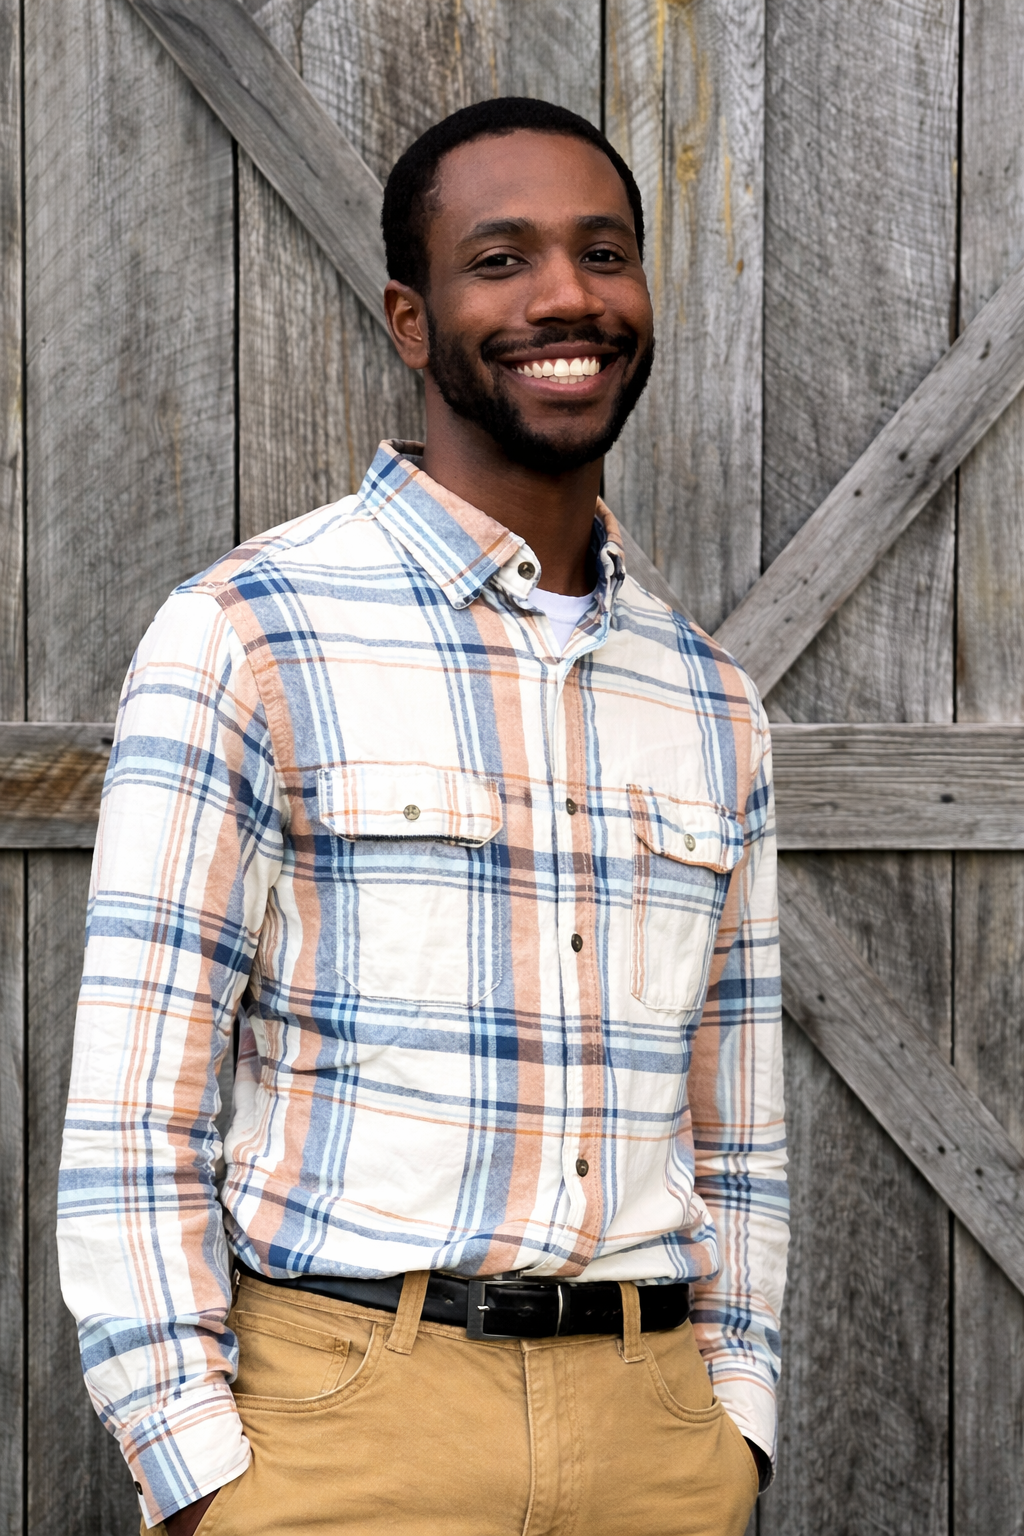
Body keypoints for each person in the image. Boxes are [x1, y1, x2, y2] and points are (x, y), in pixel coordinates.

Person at [58, 97, 788, 1536]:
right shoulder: (250, 637)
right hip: (343, 1432)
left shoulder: (711, 702)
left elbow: (740, 1134)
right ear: (413, 318)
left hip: (654, 1443)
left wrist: (733, 1425)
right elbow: (139, 1109)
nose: (568, 296)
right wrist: (200, 1475)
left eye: (604, 253)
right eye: (501, 260)